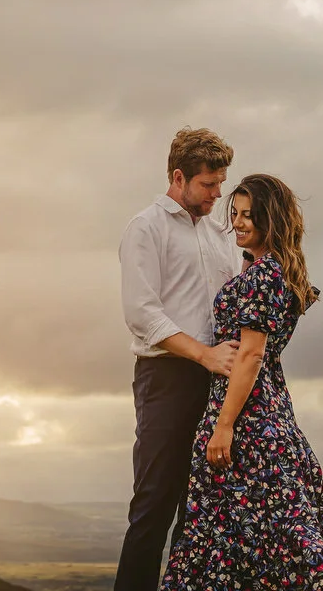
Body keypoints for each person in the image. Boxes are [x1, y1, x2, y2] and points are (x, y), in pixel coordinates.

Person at [160, 173, 323, 591]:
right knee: (257, 525)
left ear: (272, 217)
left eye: (250, 215)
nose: (240, 222)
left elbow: (251, 354)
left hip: (247, 416)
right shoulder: (271, 270)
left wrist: (224, 425)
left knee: (238, 526)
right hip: (270, 408)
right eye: (235, 214)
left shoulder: (262, 277)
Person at [115, 127, 243, 591]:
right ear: (178, 176)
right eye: (208, 184)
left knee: (206, 507)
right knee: (154, 504)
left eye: (220, 183)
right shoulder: (145, 227)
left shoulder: (219, 232)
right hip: (166, 377)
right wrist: (204, 354)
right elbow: (141, 314)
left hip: (220, 380)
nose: (217, 194)